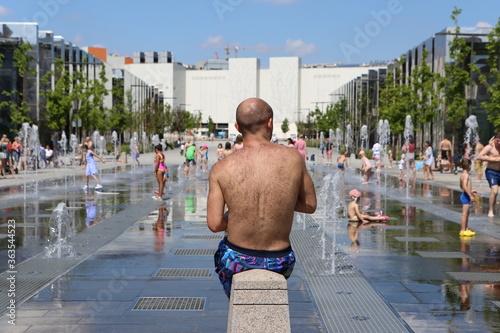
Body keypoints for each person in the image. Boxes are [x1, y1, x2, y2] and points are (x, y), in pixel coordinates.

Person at [207, 98, 317, 298]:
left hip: (237, 260)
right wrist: (281, 203)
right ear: (270, 123)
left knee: (224, 254)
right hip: (280, 261)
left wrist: (238, 212)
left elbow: (214, 224)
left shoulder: (220, 168)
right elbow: (310, 205)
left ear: (237, 127)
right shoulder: (293, 158)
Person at [477, 132, 500, 217]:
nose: (499, 143)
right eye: (497, 141)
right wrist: (494, 159)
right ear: (494, 139)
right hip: (492, 171)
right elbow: (479, 156)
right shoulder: (490, 147)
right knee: (495, 191)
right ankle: (490, 210)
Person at [459, 159, 477, 236]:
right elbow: (464, 186)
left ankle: (466, 229)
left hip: (465, 194)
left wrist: (470, 191)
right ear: (468, 166)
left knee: (467, 213)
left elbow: (461, 186)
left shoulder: (462, 174)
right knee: (464, 214)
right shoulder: (466, 175)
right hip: (466, 196)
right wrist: (470, 195)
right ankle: (463, 230)